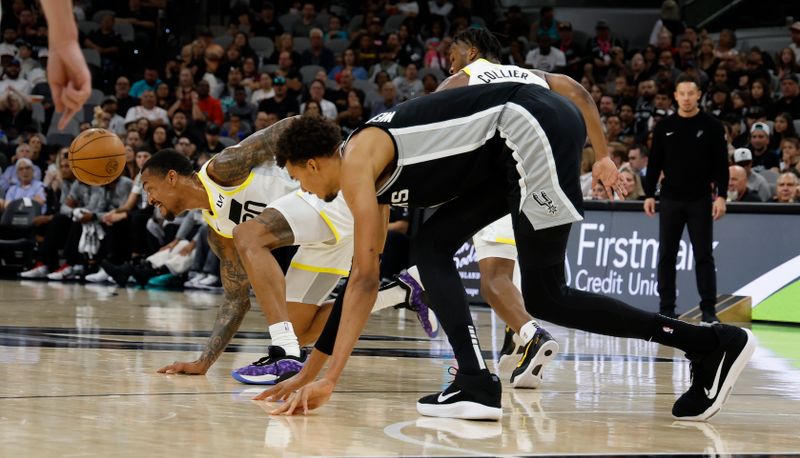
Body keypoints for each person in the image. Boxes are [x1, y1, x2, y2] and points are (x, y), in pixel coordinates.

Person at [258, 82, 754, 422]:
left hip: (528, 127)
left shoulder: (357, 164)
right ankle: (704, 344)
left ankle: (709, 343)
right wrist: (309, 371)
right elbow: (363, 277)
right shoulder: (370, 170)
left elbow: (365, 280)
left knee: (537, 291)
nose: (300, 186)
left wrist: (327, 381)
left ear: (311, 162)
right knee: (451, 255)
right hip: (513, 147)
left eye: (296, 176)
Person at [144, 144, 436, 381]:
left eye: (149, 187)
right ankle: (403, 292)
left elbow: (290, 126)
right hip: (323, 237)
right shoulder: (218, 233)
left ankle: (283, 351)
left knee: (248, 235)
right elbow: (236, 300)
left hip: (329, 199)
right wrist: (203, 362)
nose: (148, 198)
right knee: (300, 331)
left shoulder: (223, 168)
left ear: (172, 177)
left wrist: (335, 158)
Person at [644, 74, 729, 324]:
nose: (686, 98)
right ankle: (666, 308)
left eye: (691, 93)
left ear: (699, 95)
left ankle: (708, 310)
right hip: (670, 198)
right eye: (682, 94)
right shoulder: (664, 126)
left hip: (700, 199)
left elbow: (722, 165)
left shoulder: (712, 126)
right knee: (667, 255)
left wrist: (721, 196)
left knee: (703, 255)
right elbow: (654, 163)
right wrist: (649, 193)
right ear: (675, 96)